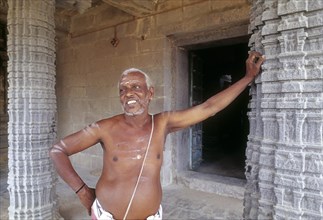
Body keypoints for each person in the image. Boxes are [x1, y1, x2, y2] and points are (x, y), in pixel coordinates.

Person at [49, 51, 265, 220]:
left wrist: (247, 78)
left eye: (135, 87)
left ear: (150, 93)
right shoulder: (103, 128)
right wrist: (82, 192)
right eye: (122, 90)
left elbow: (210, 107)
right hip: (106, 215)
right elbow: (58, 150)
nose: (128, 93)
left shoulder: (162, 124)